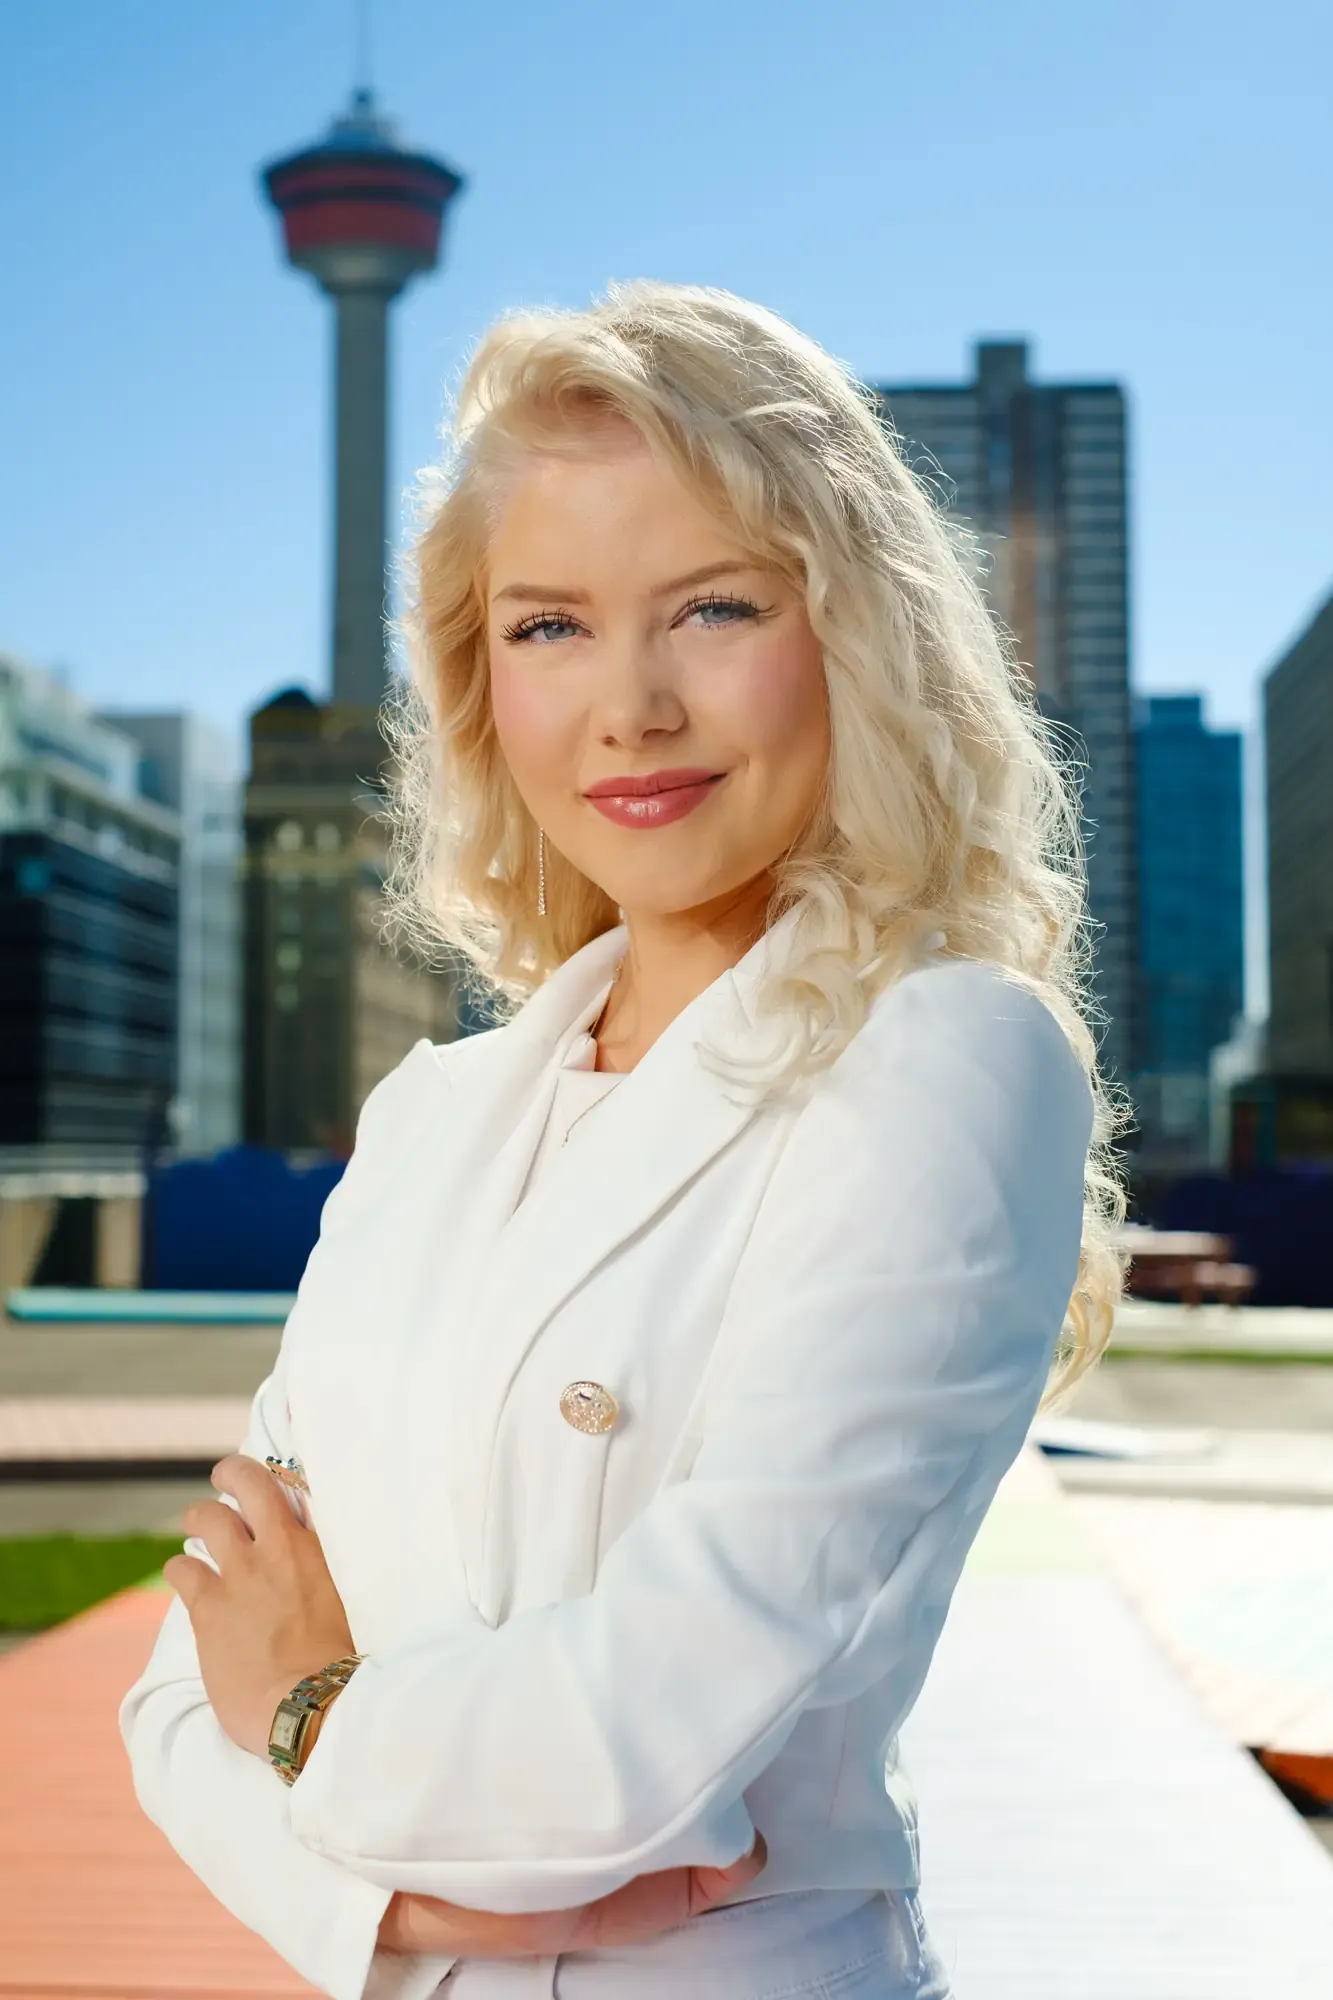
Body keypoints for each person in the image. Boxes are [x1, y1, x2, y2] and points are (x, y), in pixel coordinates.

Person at [120, 280, 1124, 2000]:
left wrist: (302, 1714)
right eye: (549, 626)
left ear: (856, 633)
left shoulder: (948, 1059)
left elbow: (629, 1752)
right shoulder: (434, 1113)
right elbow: (171, 1682)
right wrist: (400, 1906)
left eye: (715, 607)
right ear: (475, 680)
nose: (631, 709)